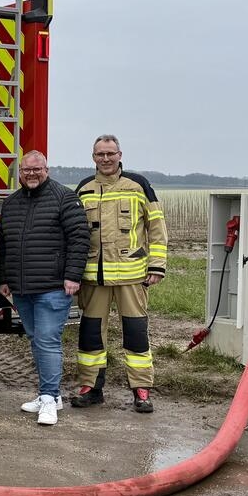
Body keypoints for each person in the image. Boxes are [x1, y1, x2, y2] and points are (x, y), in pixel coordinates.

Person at [72, 134, 168, 413]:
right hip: (94, 279)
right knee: (90, 335)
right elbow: (76, 235)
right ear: (93, 157)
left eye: (110, 154)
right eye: (100, 154)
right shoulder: (84, 189)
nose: (105, 159)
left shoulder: (139, 185)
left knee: (136, 334)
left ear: (120, 154)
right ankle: (90, 387)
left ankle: (141, 390)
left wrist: (157, 265)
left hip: (132, 276)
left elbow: (157, 229)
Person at [0, 151, 89, 427]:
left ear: (46, 169)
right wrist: (3, 278)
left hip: (53, 286)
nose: (32, 174)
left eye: (37, 169)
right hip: (22, 288)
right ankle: (50, 394)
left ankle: (48, 398)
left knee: (47, 341)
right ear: (19, 173)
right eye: (26, 170)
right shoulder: (11, 203)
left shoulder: (64, 197)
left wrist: (72, 276)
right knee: (37, 340)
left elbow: (79, 238)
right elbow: (4, 245)